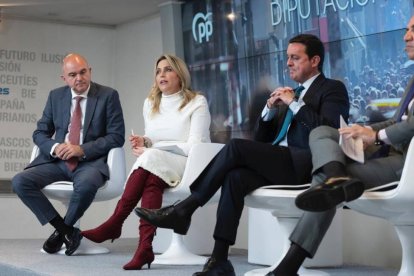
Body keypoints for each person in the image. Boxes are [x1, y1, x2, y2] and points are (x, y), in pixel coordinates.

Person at [135, 34, 350, 275]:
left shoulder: (332, 89)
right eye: (287, 57)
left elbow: (329, 130)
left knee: (236, 146)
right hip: (281, 163)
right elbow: (261, 142)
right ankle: (219, 260)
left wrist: (294, 104)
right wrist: (269, 110)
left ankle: (185, 209)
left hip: (307, 163)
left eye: (295, 57)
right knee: (234, 177)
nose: (288, 63)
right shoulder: (291, 93)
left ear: (315, 60)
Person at [273, 16, 414, 276]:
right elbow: (397, 120)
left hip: (406, 164)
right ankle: (334, 175)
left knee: (328, 187)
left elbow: (411, 126)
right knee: (323, 132)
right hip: (389, 152)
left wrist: (377, 136)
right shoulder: (412, 80)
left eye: (412, 31)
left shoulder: (332, 87)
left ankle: (288, 266)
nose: (406, 37)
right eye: (406, 30)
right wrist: (365, 129)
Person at [81, 54, 211, 270]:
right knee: (152, 180)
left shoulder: (197, 102)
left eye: (168, 69)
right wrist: (146, 141)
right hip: (160, 166)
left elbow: (195, 146)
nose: (162, 74)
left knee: (149, 158)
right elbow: (156, 141)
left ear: (180, 74)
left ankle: (115, 222)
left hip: (189, 164)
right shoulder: (150, 103)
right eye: (158, 71)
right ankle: (144, 248)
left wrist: (151, 148)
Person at [12, 53, 125, 256]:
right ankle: (66, 231)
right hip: (57, 162)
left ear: (90, 71)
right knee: (20, 181)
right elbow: (39, 133)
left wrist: (82, 149)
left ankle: (60, 233)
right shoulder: (56, 96)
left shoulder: (108, 95)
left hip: (89, 163)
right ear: (64, 78)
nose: (79, 78)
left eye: (83, 72)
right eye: (72, 74)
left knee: (87, 184)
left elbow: (116, 137)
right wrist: (55, 147)